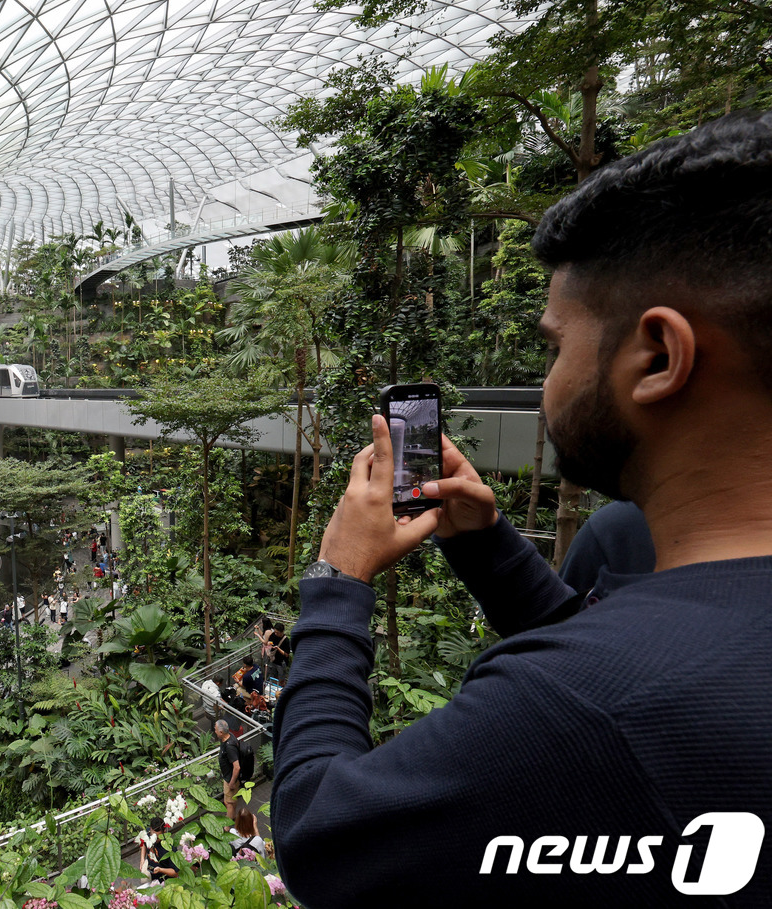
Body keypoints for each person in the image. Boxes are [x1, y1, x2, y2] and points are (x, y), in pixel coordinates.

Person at [271, 113, 772, 906]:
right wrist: (489, 546)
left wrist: (338, 578)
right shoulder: (700, 634)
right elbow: (650, 653)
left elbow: (318, 829)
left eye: (553, 346)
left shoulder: (567, 706)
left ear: (659, 356)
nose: (547, 380)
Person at [214, 719, 242, 821]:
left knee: (229, 803)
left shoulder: (230, 746)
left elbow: (237, 766)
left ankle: (227, 827)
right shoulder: (228, 737)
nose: (215, 731)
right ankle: (233, 816)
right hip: (228, 777)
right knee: (230, 800)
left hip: (230, 779)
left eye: (216, 729)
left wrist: (231, 782)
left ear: (221, 732)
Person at [138, 817, 178, 882]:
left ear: (164, 832)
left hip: (163, 878)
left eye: (157, 837)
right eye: (152, 835)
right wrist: (142, 859)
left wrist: (160, 870)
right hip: (150, 868)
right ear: (150, 829)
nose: (154, 839)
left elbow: (175, 873)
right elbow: (143, 843)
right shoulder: (148, 833)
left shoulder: (170, 848)